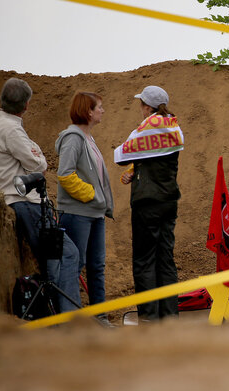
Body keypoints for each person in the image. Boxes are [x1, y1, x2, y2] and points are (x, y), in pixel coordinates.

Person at [0, 78, 81, 313]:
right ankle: (70, 320)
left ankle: (58, 316)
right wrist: (37, 156)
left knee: (54, 260)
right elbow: (39, 165)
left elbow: (32, 161)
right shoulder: (11, 129)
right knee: (67, 255)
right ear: (26, 105)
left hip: (18, 201)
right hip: (26, 203)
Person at [116, 86, 182, 321]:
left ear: (147, 106)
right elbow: (158, 158)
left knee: (144, 260)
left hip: (147, 202)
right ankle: (170, 316)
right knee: (165, 259)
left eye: (141, 104)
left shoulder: (145, 128)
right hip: (169, 200)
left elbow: (121, 155)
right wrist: (137, 169)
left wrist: (132, 166)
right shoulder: (174, 126)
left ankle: (149, 318)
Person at [55, 92, 114, 324]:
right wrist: (91, 195)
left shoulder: (88, 138)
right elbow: (65, 174)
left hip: (94, 213)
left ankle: (100, 318)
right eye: (99, 107)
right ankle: (71, 320)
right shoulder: (73, 138)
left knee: (96, 266)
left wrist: (97, 202)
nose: (103, 111)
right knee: (74, 265)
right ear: (88, 111)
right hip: (78, 213)